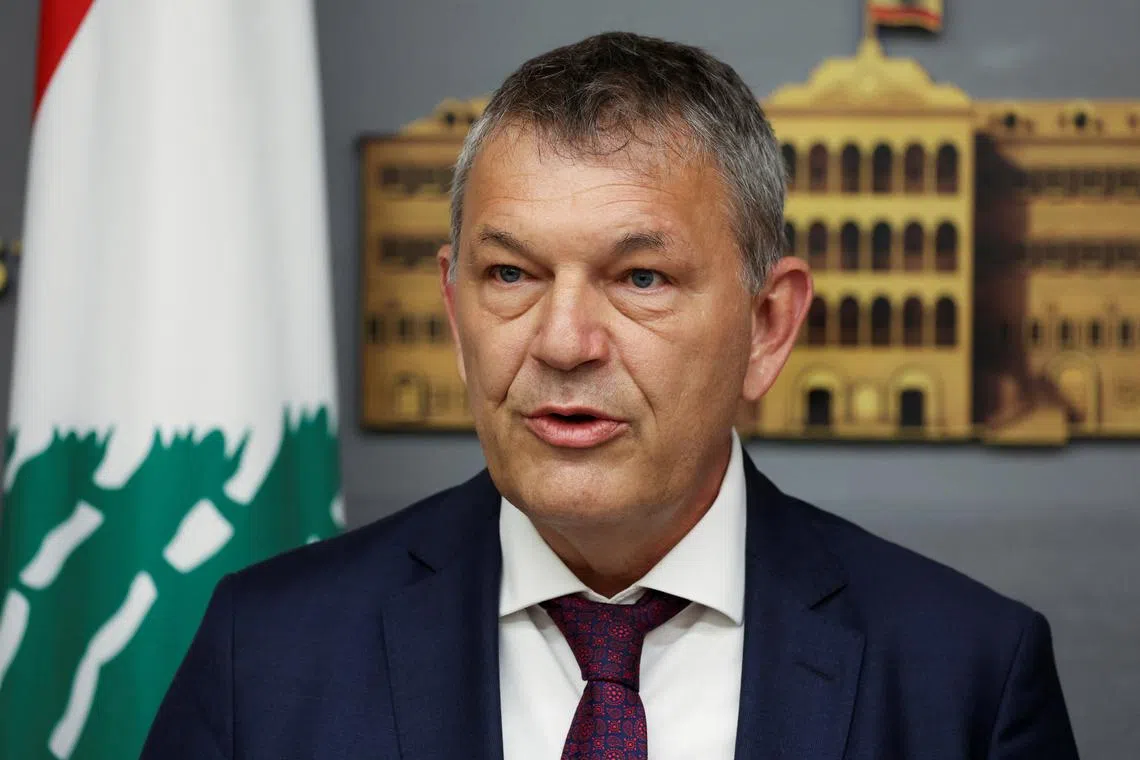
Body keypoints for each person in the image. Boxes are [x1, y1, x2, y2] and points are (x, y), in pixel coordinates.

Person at [142, 31, 1079, 759]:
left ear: (766, 326)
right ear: (452, 307)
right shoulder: (263, 654)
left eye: (640, 279)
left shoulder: (967, 679)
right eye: (510, 275)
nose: (561, 342)